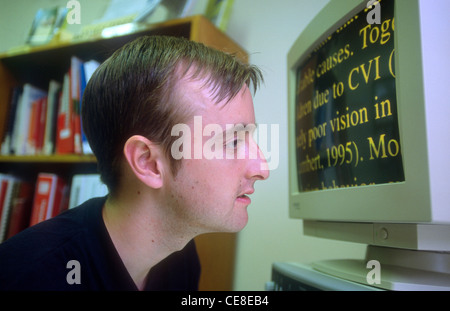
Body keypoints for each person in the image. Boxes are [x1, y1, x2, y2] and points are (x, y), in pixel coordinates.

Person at [0, 35, 269, 290]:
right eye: (233, 141)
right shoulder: (26, 279)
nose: (262, 169)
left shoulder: (180, 258)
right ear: (148, 163)